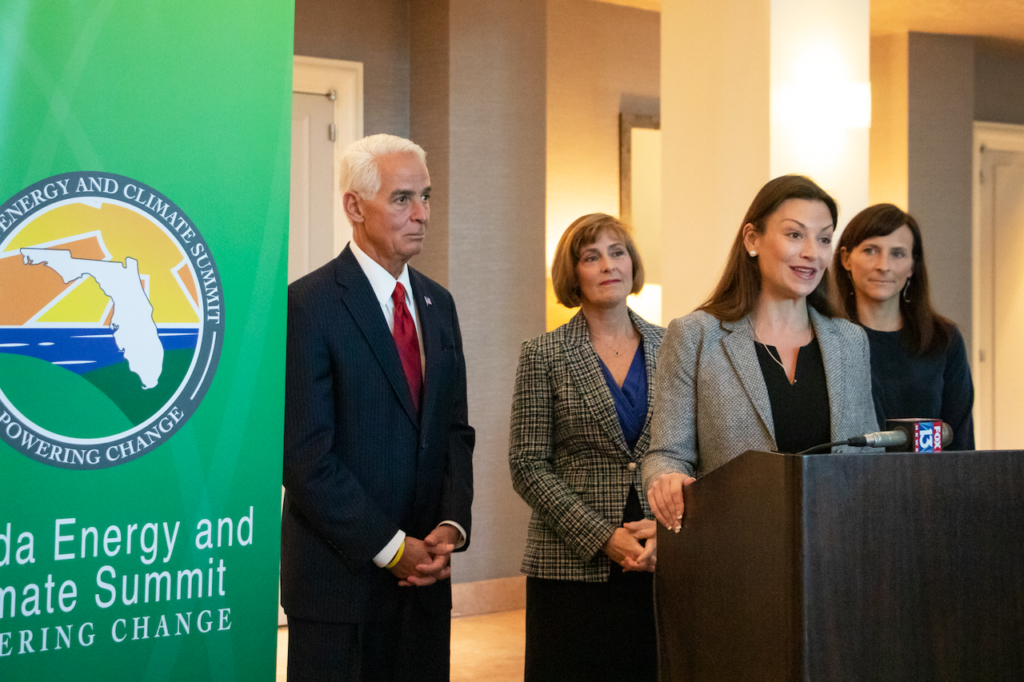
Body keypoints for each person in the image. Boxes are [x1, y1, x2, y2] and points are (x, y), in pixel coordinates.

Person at [281, 134, 474, 682]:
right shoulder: (306, 305)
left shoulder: (440, 304)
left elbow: (454, 432)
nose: (422, 214)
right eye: (402, 199)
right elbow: (303, 456)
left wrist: (449, 525)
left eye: (427, 197)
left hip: (425, 587)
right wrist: (392, 549)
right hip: (338, 587)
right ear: (353, 206)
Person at [643, 175, 879, 530]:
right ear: (752, 239)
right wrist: (668, 480)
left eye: (824, 238)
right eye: (795, 234)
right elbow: (666, 455)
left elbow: (869, 458)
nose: (812, 252)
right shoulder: (696, 336)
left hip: (835, 544)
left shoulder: (850, 341)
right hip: (735, 546)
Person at [509, 213, 663, 682]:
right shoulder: (543, 353)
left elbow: (691, 450)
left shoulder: (674, 344)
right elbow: (527, 464)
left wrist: (666, 529)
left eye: (617, 252)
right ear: (573, 273)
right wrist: (603, 537)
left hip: (657, 552)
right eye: (590, 257)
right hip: (571, 561)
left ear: (633, 264)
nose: (607, 265)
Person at [833, 203, 975, 450]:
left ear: (912, 265)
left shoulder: (943, 340)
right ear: (846, 258)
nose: (883, 265)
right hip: (850, 483)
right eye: (870, 250)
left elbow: (960, 440)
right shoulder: (827, 339)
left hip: (930, 484)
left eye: (897, 253)